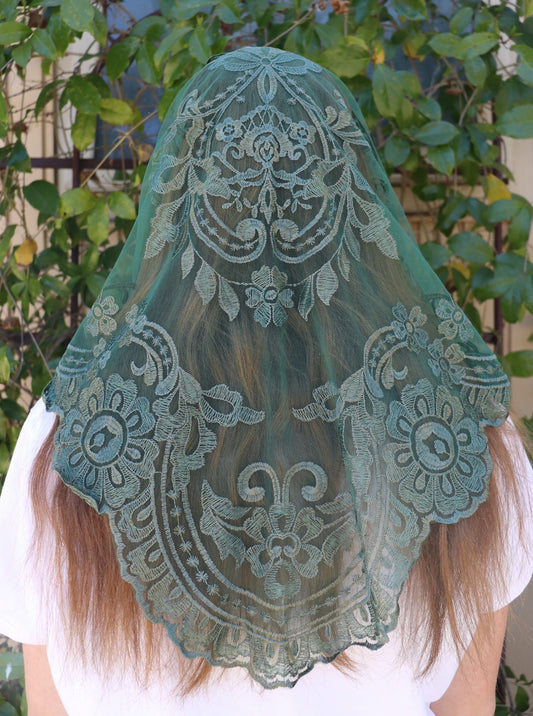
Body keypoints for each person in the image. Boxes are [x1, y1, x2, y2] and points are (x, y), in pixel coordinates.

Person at [0, 46, 532, 716]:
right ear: (353, 194)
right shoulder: (463, 438)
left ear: (178, 196)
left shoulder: (68, 440)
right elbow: (466, 708)